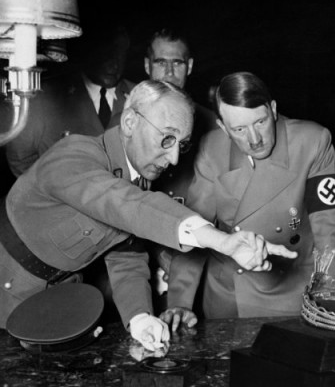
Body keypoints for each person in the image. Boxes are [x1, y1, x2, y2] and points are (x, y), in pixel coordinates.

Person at [0, 80, 296, 352]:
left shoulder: (136, 179)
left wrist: (140, 318)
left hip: (58, 298)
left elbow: (126, 256)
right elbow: (127, 205)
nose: (175, 159)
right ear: (129, 122)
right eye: (167, 139)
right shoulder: (74, 156)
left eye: (182, 144)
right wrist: (222, 242)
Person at [165, 71, 335, 318]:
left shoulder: (312, 142)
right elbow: (194, 226)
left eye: (261, 123)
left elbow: (330, 233)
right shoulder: (212, 149)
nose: (254, 140)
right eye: (240, 129)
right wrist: (180, 302)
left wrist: (334, 302)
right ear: (223, 127)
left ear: (273, 109)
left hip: (290, 296)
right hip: (228, 297)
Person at [5, 23, 136, 177]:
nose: (114, 65)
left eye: (119, 55)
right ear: (88, 52)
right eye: (105, 54)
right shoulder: (45, 97)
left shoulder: (138, 96)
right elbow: (20, 158)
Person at [143, 27, 217, 205]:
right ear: (147, 65)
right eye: (161, 62)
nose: (169, 72)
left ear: (189, 66)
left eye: (177, 63)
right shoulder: (126, 122)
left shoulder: (212, 124)